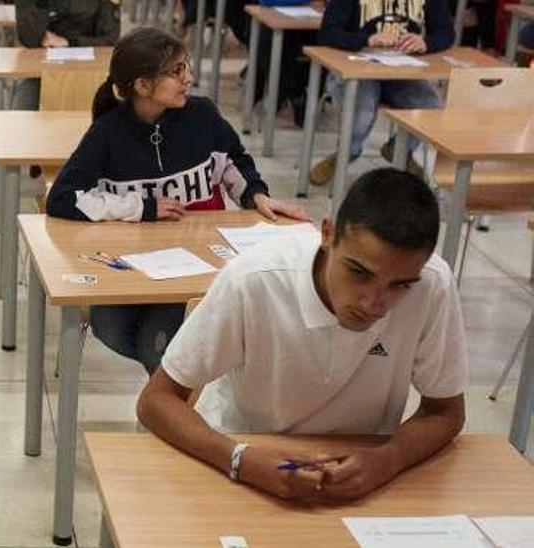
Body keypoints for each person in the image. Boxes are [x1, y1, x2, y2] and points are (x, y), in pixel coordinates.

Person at [136, 167, 466, 503]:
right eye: (358, 272)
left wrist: (388, 459)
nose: (373, 302)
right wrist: (240, 459)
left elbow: (445, 411)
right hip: (239, 451)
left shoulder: (433, 285)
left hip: (357, 473)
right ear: (327, 234)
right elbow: (156, 400)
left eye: (400, 286)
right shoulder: (256, 279)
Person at [47, 27, 308, 374]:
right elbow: (62, 198)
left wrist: (256, 195)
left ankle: (171, 408)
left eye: (186, 67)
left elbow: (234, 159)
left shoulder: (203, 115)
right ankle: (178, 393)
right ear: (142, 86)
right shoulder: (108, 132)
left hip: (200, 266)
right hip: (137, 266)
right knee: (111, 325)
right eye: (177, 71)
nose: (189, 78)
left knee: (159, 341)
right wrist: (141, 208)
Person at [309, 0, 454, 185]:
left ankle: (401, 150)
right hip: (357, 69)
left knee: (431, 106)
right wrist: (367, 40)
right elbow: (327, 33)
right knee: (363, 111)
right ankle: (346, 154)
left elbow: (446, 32)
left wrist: (426, 42)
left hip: (402, 71)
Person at [11, 0, 121, 109]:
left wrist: (69, 42)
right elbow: (28, 37)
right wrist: (43, 35)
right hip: (41, 70)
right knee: (22, 112)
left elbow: (109, 39)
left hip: (92, 70)